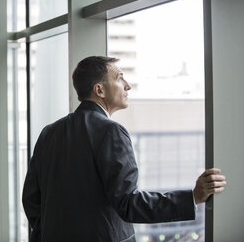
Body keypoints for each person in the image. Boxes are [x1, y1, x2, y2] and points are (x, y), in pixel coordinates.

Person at [22, 56, 226, 242]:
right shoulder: (111, 131)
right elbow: (128, 203)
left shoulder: (49, 132)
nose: (127, 86)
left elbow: (30, 199)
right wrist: (192, 197)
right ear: (99, 90)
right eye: (120, 78)